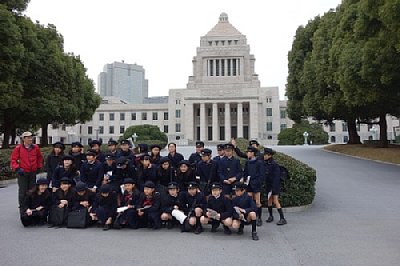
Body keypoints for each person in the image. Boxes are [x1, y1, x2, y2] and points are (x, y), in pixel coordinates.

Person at [11, 131, 44, 208]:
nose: (30, 139)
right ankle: (22, 206)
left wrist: (39, 166)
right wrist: (17, 168)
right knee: (23, 190)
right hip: (23, 173)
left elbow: (39, 157)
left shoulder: (35, 147)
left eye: (31, 137)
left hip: (33, 172)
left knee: (32, 189)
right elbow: (13, 160)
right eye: (28, 138)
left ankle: (31, 204)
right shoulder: (18, 148)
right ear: (24, 139)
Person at [243, 146, 265, 226]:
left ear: (253, 153)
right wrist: (245, 180)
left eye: (249, 152)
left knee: (258, 202)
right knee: (249, 201)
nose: (247, 153)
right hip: (248, 185)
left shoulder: (259, 162)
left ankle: (259, 218)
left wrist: (257, 182)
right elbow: (245, 172)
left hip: (256, 185)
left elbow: (262, 175)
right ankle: (249, 217)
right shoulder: (247, 162)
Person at [263, 148, 287, 226]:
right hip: (268, 185)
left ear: (269, 155)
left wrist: (273, 188)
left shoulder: (274, 164)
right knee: (269, 200)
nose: (264, 156)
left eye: (265, 155)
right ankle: (270, 216)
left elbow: (276, 178)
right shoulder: (266, 163)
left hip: (274, 185)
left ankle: (282, 218)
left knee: (275, 200)